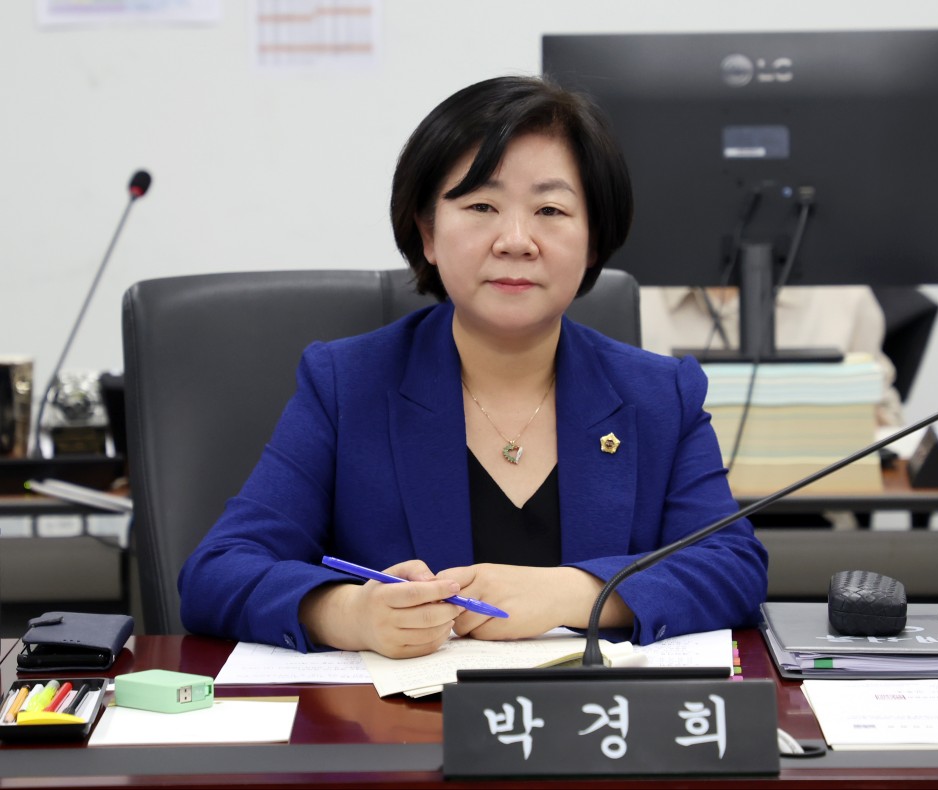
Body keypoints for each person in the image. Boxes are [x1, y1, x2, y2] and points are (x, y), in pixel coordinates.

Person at [178, 76, 768, 659]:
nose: (516, 240)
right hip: (405, 715)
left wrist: (575, 593)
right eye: (482, 205)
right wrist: (348, 613)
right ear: (428, 234)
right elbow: (217, 572)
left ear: (593, 241)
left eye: (550, 209)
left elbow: (733, 568)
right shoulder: (345, 384)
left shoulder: (660, 394)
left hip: (598, 715)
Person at [640, 285, 904, 427]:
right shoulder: (636, 297)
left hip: (816, 503)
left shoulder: (844, 295)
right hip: (673, 506)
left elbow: (888, 420)